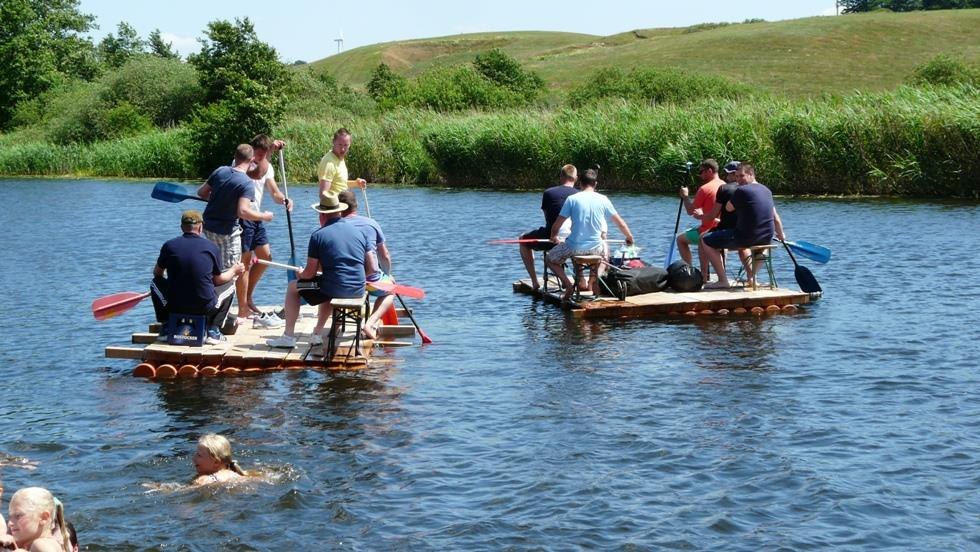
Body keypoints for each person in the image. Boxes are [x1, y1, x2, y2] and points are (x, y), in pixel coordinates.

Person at [266, 192, 375, 349]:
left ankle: (288, 336)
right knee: (325, 284)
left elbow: (309, 274)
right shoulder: (361, 233)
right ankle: (317, 333)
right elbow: (372, 268)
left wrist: (300, 273)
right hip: (358, 289)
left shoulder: (318, 235)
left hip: (333, 288)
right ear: (339, 211)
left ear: (322, 214)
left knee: (293, 287)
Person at [196, 144, 274, 327]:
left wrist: (219, 198)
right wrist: (264, 216)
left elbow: (201, 193)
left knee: (219, 269)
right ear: (252, 159)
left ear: (235, 156)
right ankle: (219, 318)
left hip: (208, 228)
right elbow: (243, 212)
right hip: (227, 232)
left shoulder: (220, 171)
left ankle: (213, 309)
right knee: (233, 273)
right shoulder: (246, 183)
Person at [151, 210, 245, 344]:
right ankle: (214, 330)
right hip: (204, 308)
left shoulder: (169, 245)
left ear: (182, 227)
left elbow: (157, 274)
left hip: (174, 306)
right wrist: (235, 270)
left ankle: (166, 325)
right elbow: (218, 280)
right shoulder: (211, 247)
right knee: (230, 284)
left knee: (155, 283)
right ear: (201, 227)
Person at [546, 167, 635, 301]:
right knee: (605, 257)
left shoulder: (572, 199)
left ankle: (569, 285)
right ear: (595, 184)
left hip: (574, 247)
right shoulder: (604, 199)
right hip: (596, 247)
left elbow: (557, 225)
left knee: (549, 259)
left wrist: (554, 237)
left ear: (580, 183)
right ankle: (594, 281)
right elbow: (620, 223)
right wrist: (629, 237)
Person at [237, 134, 292, 327]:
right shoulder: (243, 163)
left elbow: (274, 192)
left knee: (266, 257)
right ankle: (242, 308)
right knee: (244, 262)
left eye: (262, 154)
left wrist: (284, 200)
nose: (258, 158)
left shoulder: (268, 166)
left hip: (257, 216)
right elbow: (252, 174)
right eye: (257, 154)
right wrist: (272, 149)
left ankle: (248, 297)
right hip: (243, 217)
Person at [701, 164, 785, 289]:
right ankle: (752, 278)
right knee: (763, 249)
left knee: (705, 239)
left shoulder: (742, 190)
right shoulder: (767, 190)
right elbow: (776, 217)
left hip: (745, 238)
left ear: (751, 175)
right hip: (767, 238)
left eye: (741, 176)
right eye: (736, 176)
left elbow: (728, 208)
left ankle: (723, 280)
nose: (738, 180)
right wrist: (781, 234)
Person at [338, 190, 394, 340]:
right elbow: (384, 256)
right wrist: (388, 275)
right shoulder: (371, 223)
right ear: (355, 206)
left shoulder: (334, 226)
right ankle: (370, 323)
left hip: (342, 282)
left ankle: (336, 326)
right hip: (370, 281)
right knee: (390, 291)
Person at [519, 164, 579, 290]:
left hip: (552, 237)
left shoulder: (549, 193)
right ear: (576, 178)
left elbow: (548, 218)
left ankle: (535, 281)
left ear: (561, 177)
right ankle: (579, 279)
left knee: (523, 240)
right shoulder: (580, 195)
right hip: (576, 239)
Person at [677, 159, 724, 280]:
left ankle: (691, 273)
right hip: (723, 229)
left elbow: (690, 211)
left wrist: (686, 197)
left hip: (707, 230)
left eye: (702, 172)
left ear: (710, 171)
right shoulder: (725, 185)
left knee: (680, 239)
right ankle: (720, 275)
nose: (700, 175)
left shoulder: (705, 189)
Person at [1, 487, 70, 552]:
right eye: (10, 517)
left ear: (43, 518)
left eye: (18, 516)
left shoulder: (41, 544)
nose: (10, 523)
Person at [318, 128, 367, 196]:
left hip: (343, 204)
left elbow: (339, 183)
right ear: (333, 142)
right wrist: (335, 206)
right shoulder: (329, 163)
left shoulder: (339, 159)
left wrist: (356, 183)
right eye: (340, 145)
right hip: (335, 205)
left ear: (350, 145)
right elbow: (323, 194)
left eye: (345, 145)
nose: (343, 149)